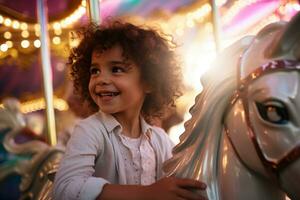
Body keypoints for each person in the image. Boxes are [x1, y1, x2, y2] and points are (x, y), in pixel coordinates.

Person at [53, 20, 207, 200]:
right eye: (95, 71)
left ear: (149, 81)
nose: (101, 79)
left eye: (116, 69)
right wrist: (147, 193)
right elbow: (65, 189)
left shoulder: (160, 140)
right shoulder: (90, 130)